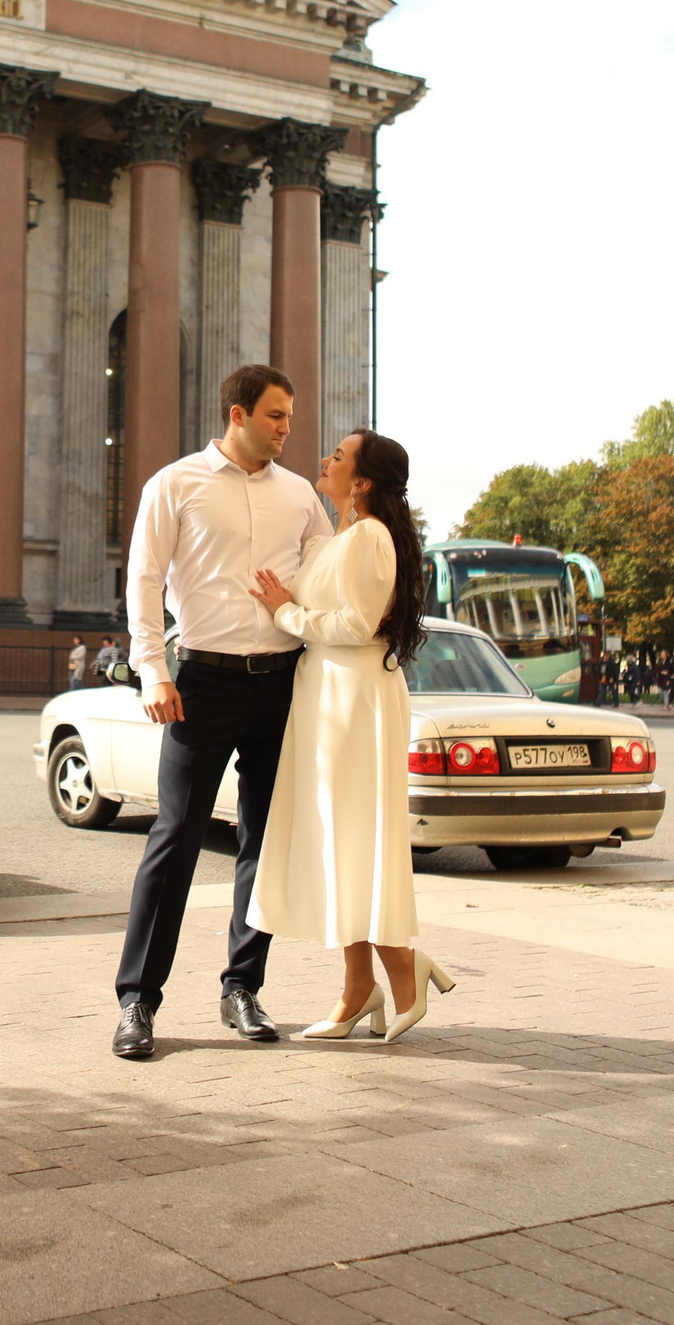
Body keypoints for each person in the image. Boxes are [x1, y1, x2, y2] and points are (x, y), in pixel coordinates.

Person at [111, 364, 333, 1061]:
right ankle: (138, 1001)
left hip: (281, 683)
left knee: (263, 843)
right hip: (201, 681)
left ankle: (243, 987)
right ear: (237, 414)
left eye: (290, 417)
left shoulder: (300, 496)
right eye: (275, 415)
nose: (286, 428)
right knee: (173, 837)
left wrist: (294, 602)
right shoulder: (173, 484)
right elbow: (144, 578)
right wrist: (152, 668)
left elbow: (327, 572)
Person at [249, 429, 450, 1043]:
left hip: (353, 698)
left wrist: (287, 612)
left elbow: (359, 623)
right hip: (332, 695)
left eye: (338, 456)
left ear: (361, 482)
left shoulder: (369, 537)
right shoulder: (346, 536)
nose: (325, 460)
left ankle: (396, 971)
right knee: (343, 841)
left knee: (356, 839)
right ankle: (361, 985)